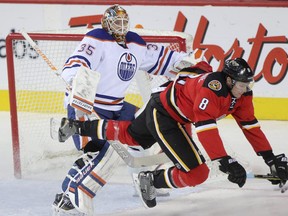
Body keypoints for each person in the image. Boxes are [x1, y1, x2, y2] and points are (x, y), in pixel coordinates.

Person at [58, 58, 288, 208]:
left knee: (131, 136)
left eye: (248, 85)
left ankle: (79, 127)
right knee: (198, 172)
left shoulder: (242, 94)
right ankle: (78, 127)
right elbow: (205, 128)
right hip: (165, 114)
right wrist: (225, 161)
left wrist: (270, 158)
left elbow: (250, 125)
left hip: (168, 106)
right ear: (228, 80)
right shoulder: (213, 88)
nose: (246, 89)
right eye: (241, 84)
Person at [52, 4, 205, 215]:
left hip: (116, 105)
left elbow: (163, 59)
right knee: (97, 154)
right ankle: (67, 199)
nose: (121, 26)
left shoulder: (135, 42)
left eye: (124, 22)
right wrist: (73, 75)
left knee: (139, 136)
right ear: (106, 23)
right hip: (88, 105)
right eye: (116, 22)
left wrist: (188, 61)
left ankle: (144, 182)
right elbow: (79, 61)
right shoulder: (96, 38)